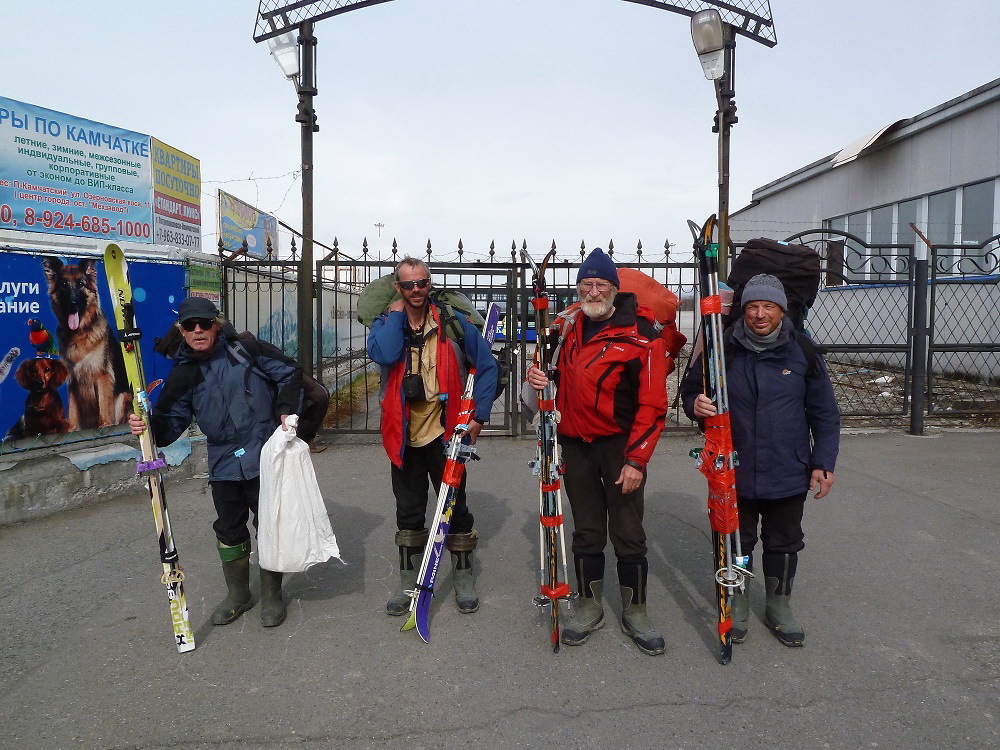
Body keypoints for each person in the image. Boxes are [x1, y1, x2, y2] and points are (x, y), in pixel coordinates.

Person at [680, 273, 840, 647]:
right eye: (752, 306)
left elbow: (825, 413)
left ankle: (779, 606)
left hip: (789, 465)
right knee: (739, 541)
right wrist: (696, 406)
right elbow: (690, 393)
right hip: (734, 468)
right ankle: (736, 601)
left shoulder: (803, 350)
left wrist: (824, 462)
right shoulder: (722, 350)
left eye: (768, 306)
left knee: (785, 541)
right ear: (744, 310)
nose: (759, 314)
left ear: (781, 310)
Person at [524, 248, 669, 655]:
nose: (592, 290)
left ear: (614, 289)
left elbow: (654, 405)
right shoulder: (567, 327)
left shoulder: (643, 335)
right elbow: (549, 373)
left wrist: (637, 459)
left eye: (600, 284)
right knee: (587, 528)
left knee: (627, 530)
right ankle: (589, 605)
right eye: (585, 284)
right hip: (574, 444)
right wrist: (539, 376)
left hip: (619, 447)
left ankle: (635, 610)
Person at [128, 297, 302, 628]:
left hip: (263, 451)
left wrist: (285, 409)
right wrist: (146, 426)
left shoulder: (246, 350)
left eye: (204, 324)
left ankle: (272, 595)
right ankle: (239, 595)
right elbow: (169, 425)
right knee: (228, 528)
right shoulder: (183, 375)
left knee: (269, 523)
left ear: (216, 326)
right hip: (223, 460)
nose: (197, 330)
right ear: (181, 330)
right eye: (190, 325)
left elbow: (290, 373)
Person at [367, 258, 498, 617]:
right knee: (408, 512)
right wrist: (395, 317)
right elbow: (386, 353)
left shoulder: (452, 324)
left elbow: (487, 367)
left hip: (447, 433)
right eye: (408, 285)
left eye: (422, 283)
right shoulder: (384, 325)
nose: (416, 291)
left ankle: (463, 577)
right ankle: (408, 581)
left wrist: (480, 419)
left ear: (429, 284)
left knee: (454, 508)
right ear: (398, 287)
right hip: (404, 436)